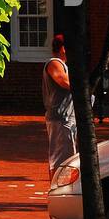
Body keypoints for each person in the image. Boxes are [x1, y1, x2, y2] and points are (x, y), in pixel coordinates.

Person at [43, 34, 77, 177]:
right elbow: (64, 81)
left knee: (69, 158)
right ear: (63, 48)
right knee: (60, 160)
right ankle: (56, 190)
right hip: (60, 119)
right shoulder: (55, 63)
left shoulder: (64, 65)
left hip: (67, 119)